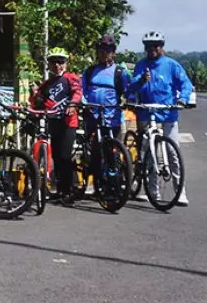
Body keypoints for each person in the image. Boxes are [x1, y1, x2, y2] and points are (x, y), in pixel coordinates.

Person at [127, 31, 194, 205]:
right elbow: (131, 87)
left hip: (167, 113)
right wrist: (141, 80)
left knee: (172, 152)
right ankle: (152, 191)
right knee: (149, 154)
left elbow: (185, 84)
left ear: (162, 47)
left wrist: (182, 99)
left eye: (155, 46)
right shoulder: (141, 65)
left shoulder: (172, 65)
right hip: (146, 113)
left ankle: (180, 191)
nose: (152, 49)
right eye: (148, 46)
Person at [30, 47, 82, 206]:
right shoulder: (46, 84)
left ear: (66, 63)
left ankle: (69, 191)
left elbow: (77, 92)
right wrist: (33, 95)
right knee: (57, 157)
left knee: (65, 156)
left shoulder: (71, 78)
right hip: (53, 122)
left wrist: (72, 104)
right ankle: (60, 190)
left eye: (60, 62)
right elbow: (37, 102)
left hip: (68, 122)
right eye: (53, 62)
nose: (57, 65)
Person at [82, 35, 132, 189]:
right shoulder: (90, 71)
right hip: (93, 116)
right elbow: (82, 91)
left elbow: (128, 92)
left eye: (108, 50)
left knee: (113, 152)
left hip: (112, 117)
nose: (104, 53)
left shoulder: (120, 72)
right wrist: (83, 103)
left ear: (113, 53)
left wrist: (127, 102)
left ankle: (116, 181)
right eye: (101, 50)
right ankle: (95, 180)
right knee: (93, 150)